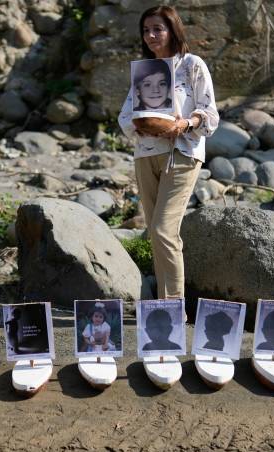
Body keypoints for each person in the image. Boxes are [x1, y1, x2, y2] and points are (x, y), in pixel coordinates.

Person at [118, 5, 219, 301]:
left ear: (173, 29)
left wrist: (186, 124)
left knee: (164, 230)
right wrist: (142, 126)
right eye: (146, 30)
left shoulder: (192, 64)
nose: (151, 35)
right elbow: (125, 116)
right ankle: (162, 307)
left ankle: (173, 309)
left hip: (183, 154)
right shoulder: (145, 70)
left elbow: (211, 112)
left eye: (158, 29)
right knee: (155, 233)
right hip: (145, 156)